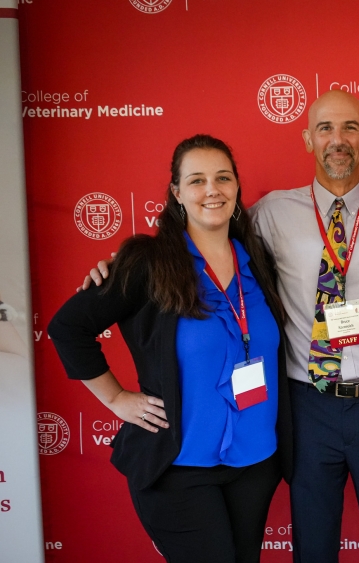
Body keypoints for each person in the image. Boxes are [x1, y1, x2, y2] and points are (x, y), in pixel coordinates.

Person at [83, 92, 359, 562]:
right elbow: (203, 244)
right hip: (305, 407)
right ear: (308, 139)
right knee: (312, 541)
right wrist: (119, 267)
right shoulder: (268, 215)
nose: (338, 140)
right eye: (325, 128)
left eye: (350, 128)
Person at [49, 135, 293, 563]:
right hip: (178, 468)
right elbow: (68, 327)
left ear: (236, 187)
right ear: (177, 193)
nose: (212, 190)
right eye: (196, 180)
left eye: (222, 177)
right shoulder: (149, 262)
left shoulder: (258, 260)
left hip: (255, 464)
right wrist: (116, 398)